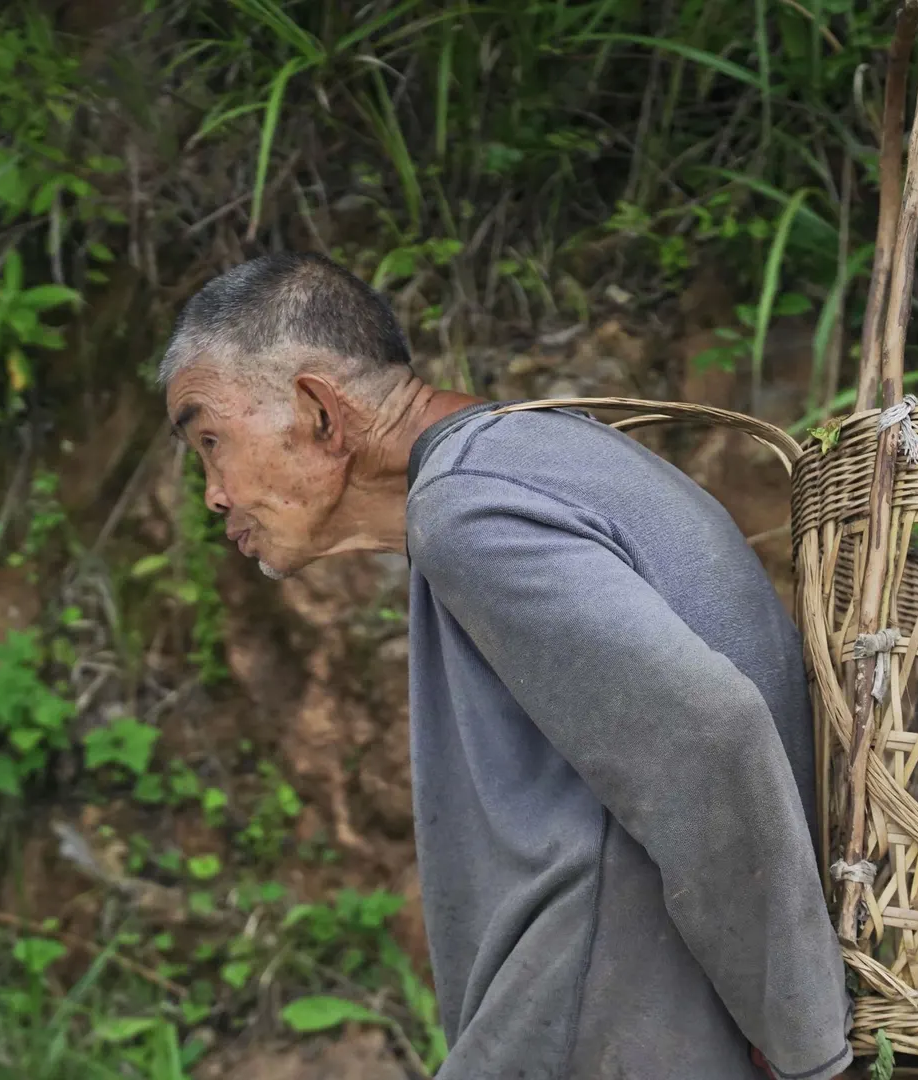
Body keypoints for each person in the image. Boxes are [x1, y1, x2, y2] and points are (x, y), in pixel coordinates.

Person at [159, 252, 854, 1080]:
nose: (212, 492)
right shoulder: (535, 453)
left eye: (211, 440)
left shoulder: (470, 509)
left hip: (600, 1029)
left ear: (318, 412)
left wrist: (808, 1044)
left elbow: (707, 739)